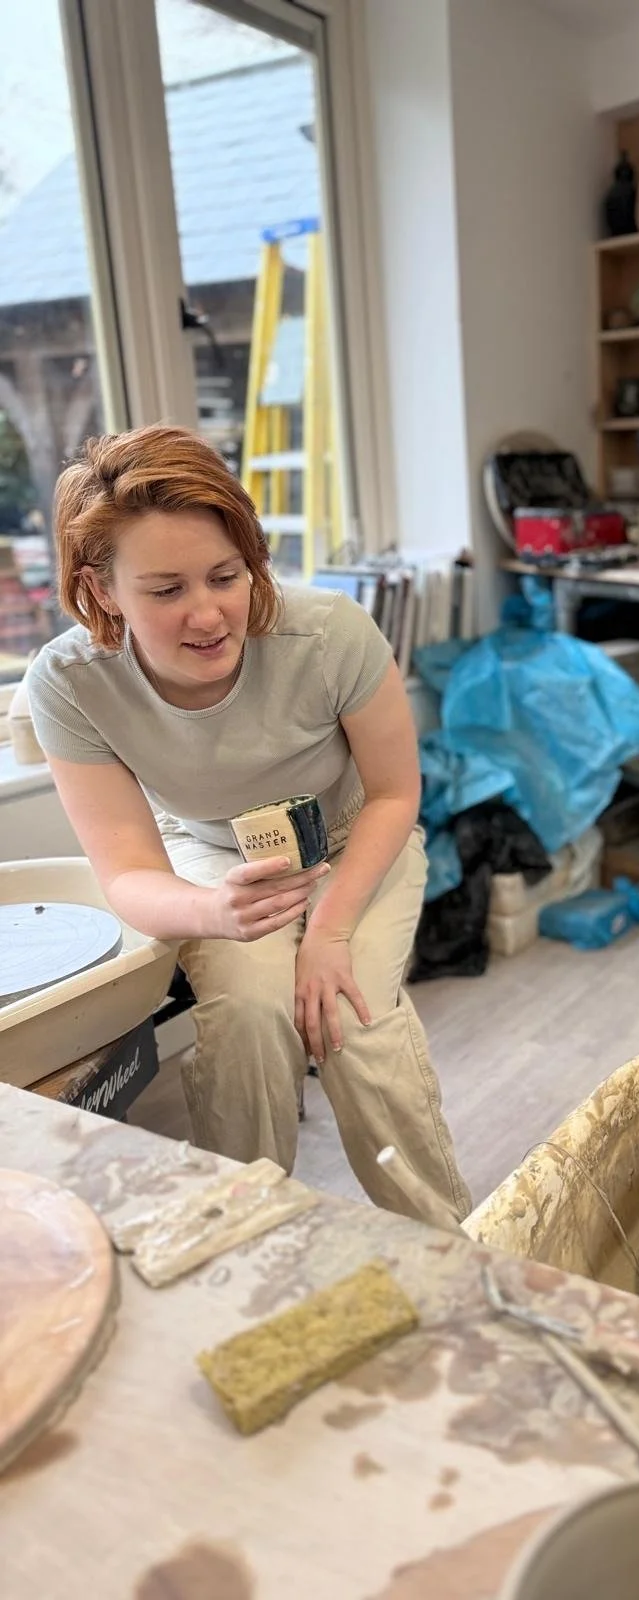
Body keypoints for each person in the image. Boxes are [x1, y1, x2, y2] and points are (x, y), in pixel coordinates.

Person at [25, 424, 469, 1229]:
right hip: (209, 854)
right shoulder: (69, 683)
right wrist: (214, 914)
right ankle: (240, 1231)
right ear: (100, 588)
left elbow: (395, 795)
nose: (208, 614)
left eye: (226, 575)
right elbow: (128, 872)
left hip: (350, 835)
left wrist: (328, 933)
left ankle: (455, 1247)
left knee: (355, 1025)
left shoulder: (328, 634)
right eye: (165, 591)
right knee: (252, 1017)